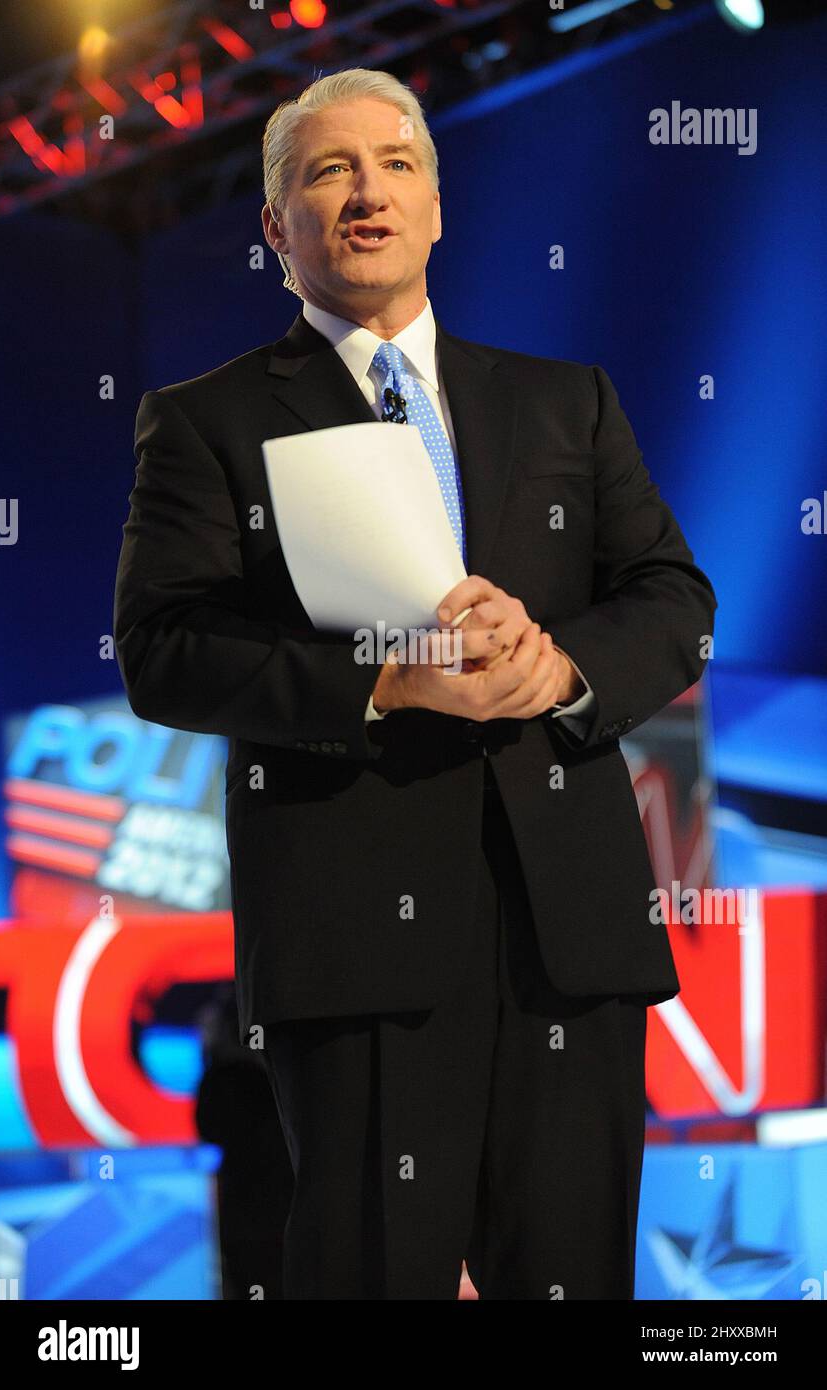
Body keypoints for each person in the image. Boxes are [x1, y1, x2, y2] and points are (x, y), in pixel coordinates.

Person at [113, 66, 717, 1300]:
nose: (365, 192)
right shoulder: (208, 422)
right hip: (353, 944)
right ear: (275, 228)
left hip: (567, 932)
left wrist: (558, 666)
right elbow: (163, 649)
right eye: (324, 172)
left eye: (393, 164)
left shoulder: (566, 401)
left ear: (437, 206)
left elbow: (672, 600)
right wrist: (379, 688)